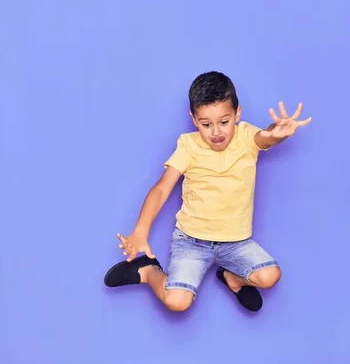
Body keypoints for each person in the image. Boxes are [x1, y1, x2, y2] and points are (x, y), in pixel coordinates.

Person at [103, 71, 311, 312]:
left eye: (224, 121)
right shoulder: (188, 146)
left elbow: (265, 138)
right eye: (206, 124)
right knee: (177, 302)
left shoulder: (245, 136)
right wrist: (140, 231)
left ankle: (232, 278)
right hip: (192, 241)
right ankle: (148, 271)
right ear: (194, 119)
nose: (216, 132)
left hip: (236, 242)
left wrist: (277, 132)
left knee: (270, 277)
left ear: (237, 114)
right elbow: (161, 189)